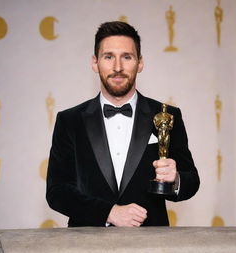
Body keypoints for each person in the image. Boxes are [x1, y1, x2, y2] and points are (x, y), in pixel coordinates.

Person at [46, 21, 200, 227]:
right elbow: (57, 191)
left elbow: (192, 181)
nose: (117, 67)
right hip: (86, 246)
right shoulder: (69, 120)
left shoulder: (168, 115)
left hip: (152, 245)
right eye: (108, 57)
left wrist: (176, 179)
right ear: (95, 62)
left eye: (127, 57)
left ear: (140, 63)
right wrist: (108, 213)